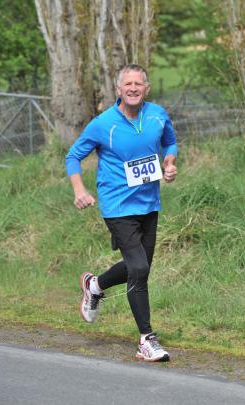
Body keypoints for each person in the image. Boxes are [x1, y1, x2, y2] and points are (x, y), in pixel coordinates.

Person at [66, 64, 178, 362]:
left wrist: (169, 162)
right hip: (117, 206)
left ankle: (95, 285)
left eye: (138, 84)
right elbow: (73, 156)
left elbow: (170, 141)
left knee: (136, 267)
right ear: (118, 89)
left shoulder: (157, 114)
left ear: (147, 88)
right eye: (127, 83)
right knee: (139, 269)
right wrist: (80, 190)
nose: (132, 88)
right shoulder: (104, 124)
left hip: (149, 204)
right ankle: (147, 339)